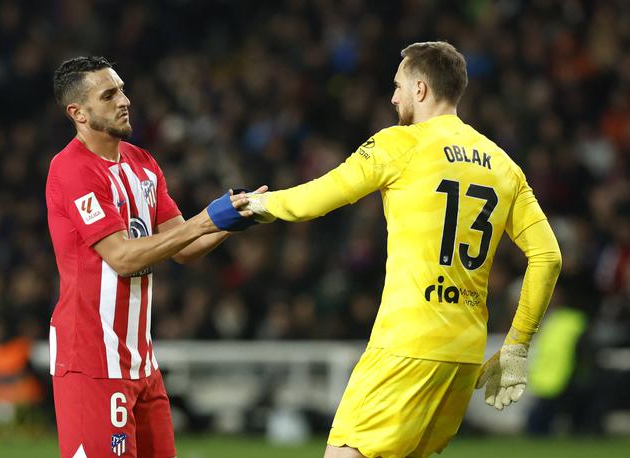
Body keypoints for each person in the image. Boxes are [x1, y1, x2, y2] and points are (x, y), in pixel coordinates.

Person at [245, 41, 562, 458]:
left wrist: (255, 205)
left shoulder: (400, 144)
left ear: (420, 89)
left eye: (397, 86)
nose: (392, 96)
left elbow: (315, 199)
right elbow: (548, 256)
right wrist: (518, 343)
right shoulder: (503, 164)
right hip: (464, 354)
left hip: (407, 342)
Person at [46, 56, 259, 458]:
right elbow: (122, 258)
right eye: (108, 95)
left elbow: (185, 247)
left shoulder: (143, 164)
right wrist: (204, 221)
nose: (124, 101)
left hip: (141, 360)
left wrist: (234, 219)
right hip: (91, 359)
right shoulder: (71, 169)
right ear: (78, 113)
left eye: (122, 90)